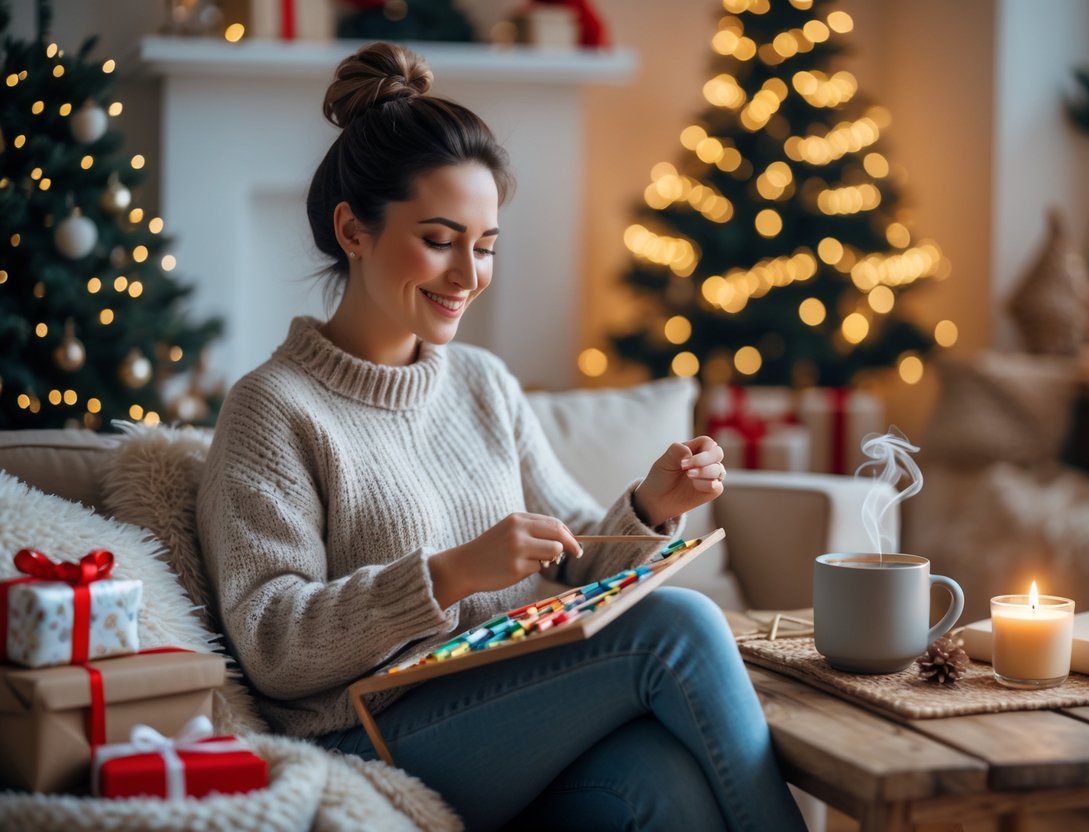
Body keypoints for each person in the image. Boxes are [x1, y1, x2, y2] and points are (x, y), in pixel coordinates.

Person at [196, 41, 807, 832]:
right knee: (680, 628)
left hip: (508, 713)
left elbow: (581, 558)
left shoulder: (481, 381)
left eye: (484, 246)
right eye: (440, 239)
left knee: (661, 785)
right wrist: (449, 575)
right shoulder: (272, 409)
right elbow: (273, 642)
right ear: (353, 228)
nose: (467, 274)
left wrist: (651, 507)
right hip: (369, 736)